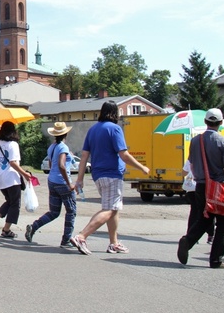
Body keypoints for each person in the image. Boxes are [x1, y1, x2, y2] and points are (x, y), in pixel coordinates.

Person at [71, 100, 149, 255]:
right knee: (111, 208)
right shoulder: (115, 129)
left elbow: (84, 155)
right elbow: (124, 154)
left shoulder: (93, 130)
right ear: (115, 113)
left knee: (113, 208)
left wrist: (80, 179)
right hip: (112, 174)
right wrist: (142, 167)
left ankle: (114, 243)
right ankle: (82, 236)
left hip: (98, 175)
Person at [177, 108, 224, 269]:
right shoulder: (223, 142)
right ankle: (216, 260)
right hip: (220, 187)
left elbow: (191, 164)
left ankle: (188, 240)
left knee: (205, 218)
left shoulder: (196, 141)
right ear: (220, 123)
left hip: (201, 186)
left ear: (205, 122)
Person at [25, 122, 77, 248]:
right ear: (65, 134)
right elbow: (61, 165)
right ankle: (66, 240)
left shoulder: (51, 147)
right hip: (62, 183)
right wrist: (69, 183)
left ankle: (34, 227)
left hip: (52, 181)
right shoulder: (63, 147)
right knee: (71, 211)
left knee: (54, 212)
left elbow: (51, 164)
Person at [0, 121, 32, 239]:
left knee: (9, 201)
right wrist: (25, 174)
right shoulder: (13, 144)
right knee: (15, 204)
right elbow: (13, 163)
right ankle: (6, 230)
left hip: (0, 178)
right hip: (11, 178)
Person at [182, 160, 214, 244]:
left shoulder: (190, 160)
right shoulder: (207, 157)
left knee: (194, 212)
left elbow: (183, 173)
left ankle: (191, 234)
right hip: (204, 187)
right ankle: (210, 235)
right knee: (207, 211)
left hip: (191, 189)